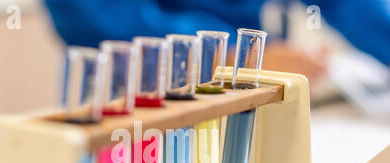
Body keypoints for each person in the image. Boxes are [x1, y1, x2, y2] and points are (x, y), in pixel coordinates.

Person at [44, 0, 390, 86]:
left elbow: (353, 7)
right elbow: (94, 21)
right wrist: (233, 59)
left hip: (239, 98)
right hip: (128, 88)